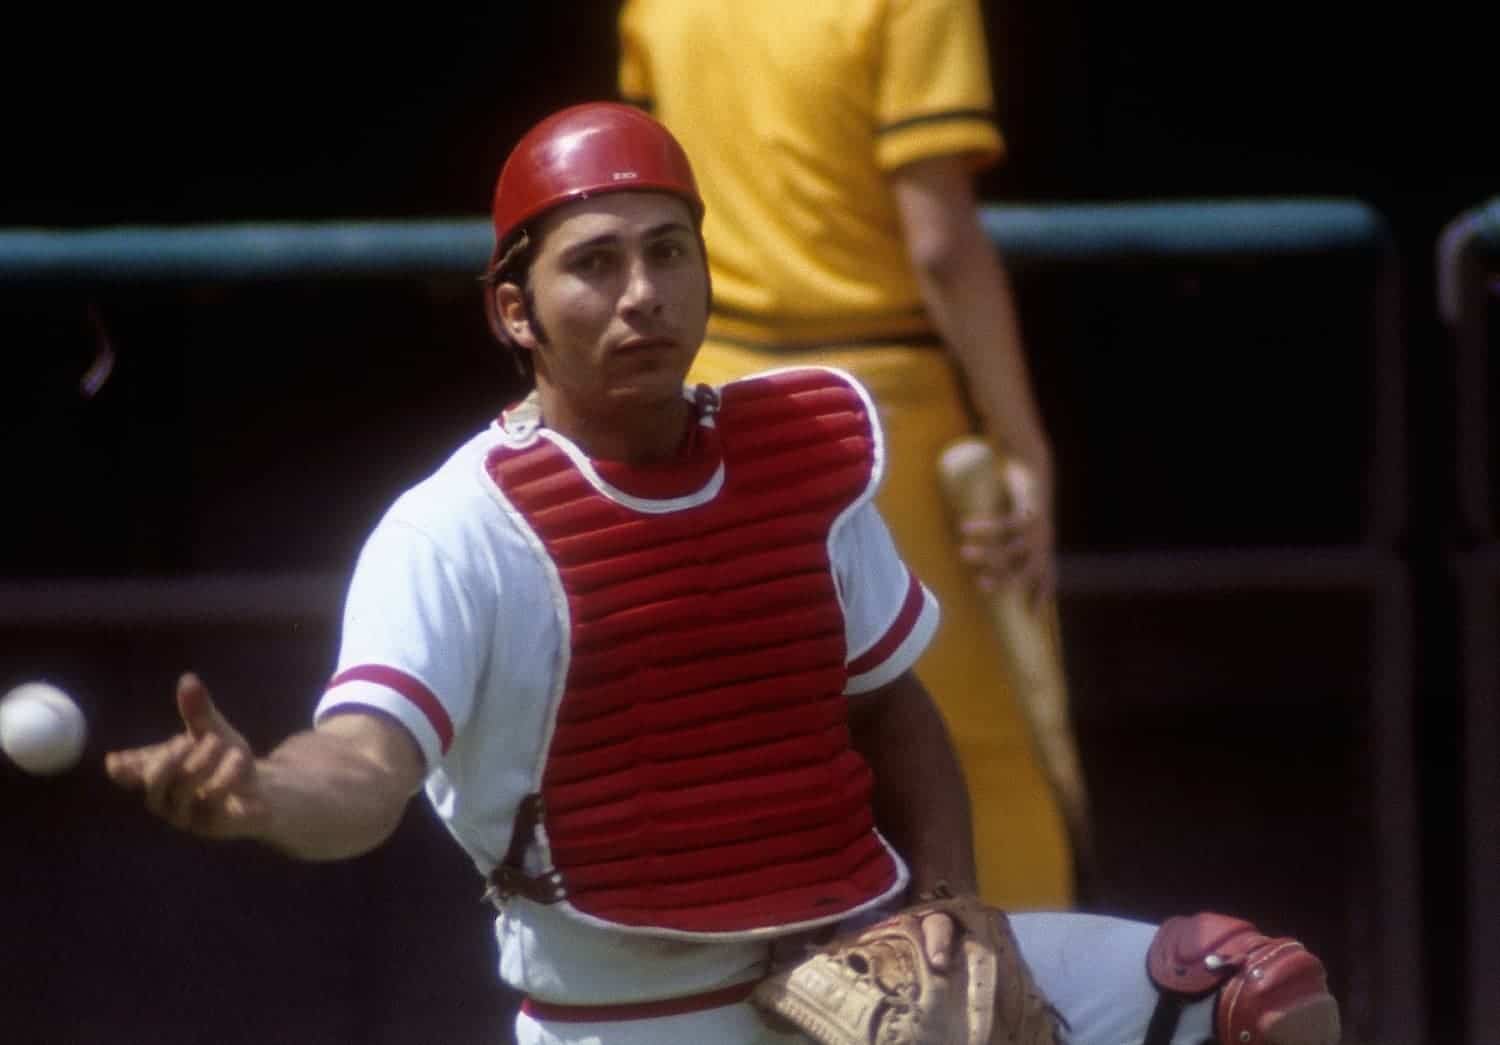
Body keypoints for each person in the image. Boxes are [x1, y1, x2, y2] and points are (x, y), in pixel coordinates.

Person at [105, 103, 1338, 1045]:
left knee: (1260, 998)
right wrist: (263, 790)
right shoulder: (454, 531)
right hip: (632, 1018)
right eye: (593, 264)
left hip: (872, 959)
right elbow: (366, 770)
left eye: (669, 252)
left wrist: (957, 901)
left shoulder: (795, 453)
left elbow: (887, 701)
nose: (642, 293)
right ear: (512, 310)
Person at [616, 0, 1089, 910]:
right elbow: (942, 243)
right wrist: (1021, 438)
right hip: (878, 414)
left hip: (708, 407)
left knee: (754, 753)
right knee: (983, 757)